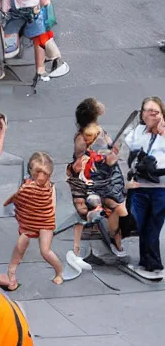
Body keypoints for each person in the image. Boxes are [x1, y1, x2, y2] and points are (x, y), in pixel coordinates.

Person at [0, 151, 63, 290]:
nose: (41, 177)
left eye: (45, 174)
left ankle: (59, 272)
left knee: (45, 251)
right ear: (31, 171)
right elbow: (19, 200)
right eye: (38, 173)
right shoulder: (26, 186)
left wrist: (47, 219)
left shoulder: (50, 187)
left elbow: (52, 206)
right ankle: (11, 272)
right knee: (20, 245)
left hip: (45, 222)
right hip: (29, 221)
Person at [70, 97, 127, 259]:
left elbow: (108, 148)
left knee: (116, 207)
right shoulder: (83, 138)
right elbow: (81, 162)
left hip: (107, 177)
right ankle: (114, 238)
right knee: (115, 207)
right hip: (97, 181)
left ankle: (112, 233)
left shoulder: (94, 132)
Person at [125, 96, 165, 279]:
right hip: (139, 186)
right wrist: (148, 131)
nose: (152, 115)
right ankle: (147, 262)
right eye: (148, 111)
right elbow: (131, 144)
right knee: (140, 224)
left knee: (153, 226)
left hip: (160, 188)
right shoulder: (138, 132)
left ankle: (153, 265)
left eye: (155, 112)